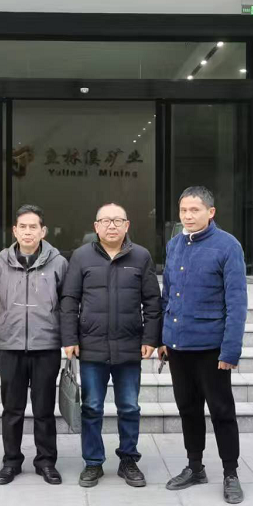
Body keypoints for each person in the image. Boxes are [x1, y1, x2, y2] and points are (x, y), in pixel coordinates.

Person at [61, 203, 161, 488]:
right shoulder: (81, 256)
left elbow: (152, 301)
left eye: (118, 220)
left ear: (127, 225)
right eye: (105, 221)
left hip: (129, 346)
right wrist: (69, 338)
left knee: (129, 407)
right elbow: (69, 300)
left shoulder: (141, 256)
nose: (112, 225)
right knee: (92, 407)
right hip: (91, 346)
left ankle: (128, 460)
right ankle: (93, 462)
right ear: (96, 227)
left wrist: (150, 338)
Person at [159, 186, 248, 504]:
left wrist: (230, 350)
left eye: (194, 210)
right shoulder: (174, 244)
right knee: (188, 409)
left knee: (222, 411)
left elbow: (236, 303)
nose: (188, 216)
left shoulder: (228, 246)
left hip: (212, 348)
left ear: (211, 212)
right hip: (178, 345)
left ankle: (230, 473)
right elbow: (167, 295)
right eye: (183, 210)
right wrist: (162, 338)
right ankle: (195, 466)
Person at [0, 204, 68, 486]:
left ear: (43, 231)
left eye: (33, 227)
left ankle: (46, 462)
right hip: (10, 345)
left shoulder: (58, 263)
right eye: (22, 227)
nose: (28, 232)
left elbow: (66, 302)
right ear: (14, 230)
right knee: (12, 409)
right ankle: (11, 461)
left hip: (46, 345)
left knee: (44, 409)